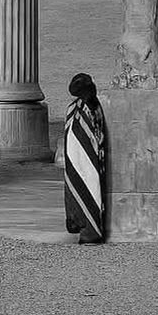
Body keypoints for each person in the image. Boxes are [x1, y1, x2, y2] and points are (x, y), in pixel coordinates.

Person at [63, 72, 106, 244]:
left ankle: (90, 232)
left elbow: (91, 133)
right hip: (78, 158)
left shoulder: (89, 107)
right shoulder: (79, 107)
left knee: (90, 189)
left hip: (87, 159)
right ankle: (83, 227)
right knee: (82, 190)